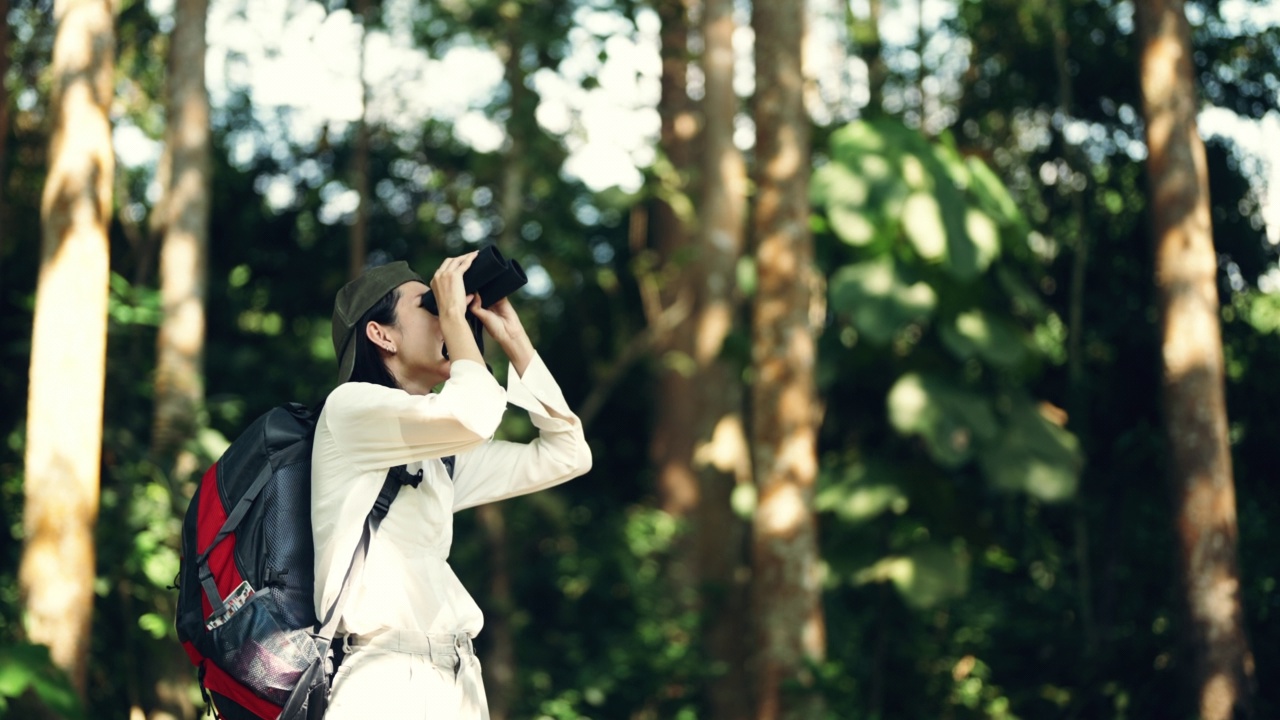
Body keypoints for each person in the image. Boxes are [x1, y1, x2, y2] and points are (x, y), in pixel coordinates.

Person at [311, 252, 592, 720]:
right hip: (383, 684)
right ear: (381, 335)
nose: (447, 317)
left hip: (457, 680)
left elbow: (567, 454)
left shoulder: (439, 449)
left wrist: (515, 339)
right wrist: (459, 324)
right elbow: (476, 414)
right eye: (430, 307)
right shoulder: (348, 410)